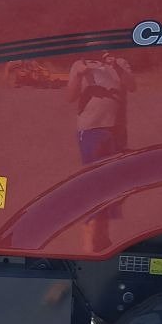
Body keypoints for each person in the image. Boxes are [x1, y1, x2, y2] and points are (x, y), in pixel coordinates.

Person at [67, 51, 135, 250]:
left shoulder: (120, 62)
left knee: (112, 188)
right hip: (91, 130)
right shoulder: (80, 64)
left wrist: (118, 67)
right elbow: (70, 97)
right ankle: (88, 245)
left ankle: (103, 238)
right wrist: (79, 75)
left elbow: (133, 86)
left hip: (117, 131)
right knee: (94, 187)